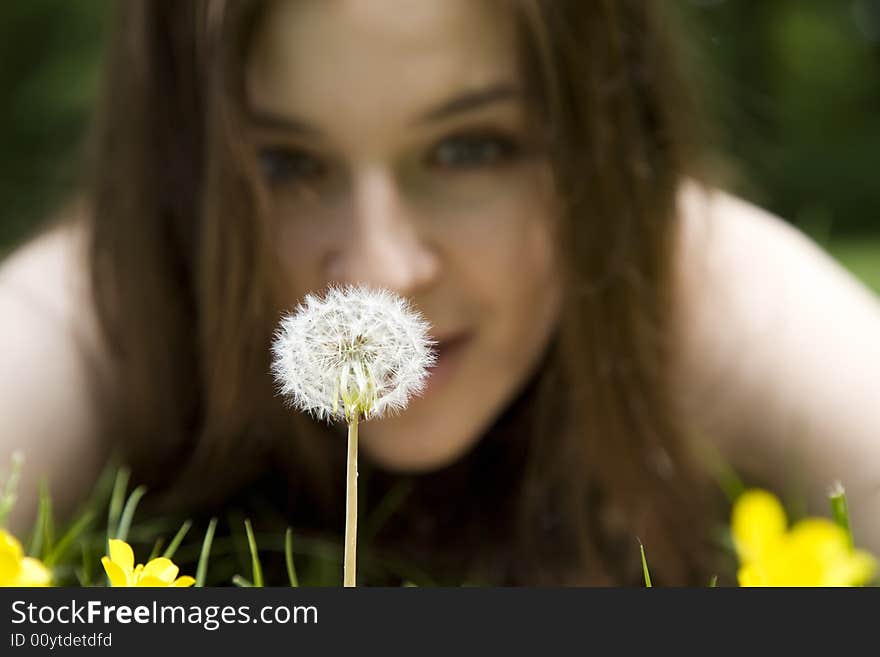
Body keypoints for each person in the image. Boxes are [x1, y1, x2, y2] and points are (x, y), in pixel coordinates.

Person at [2, 0, 880, 586]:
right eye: (284, 163)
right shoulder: (103, 304)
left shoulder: (705, 285)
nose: (381, 272)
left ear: (605, 149)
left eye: (470, 148)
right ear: (175, 179)